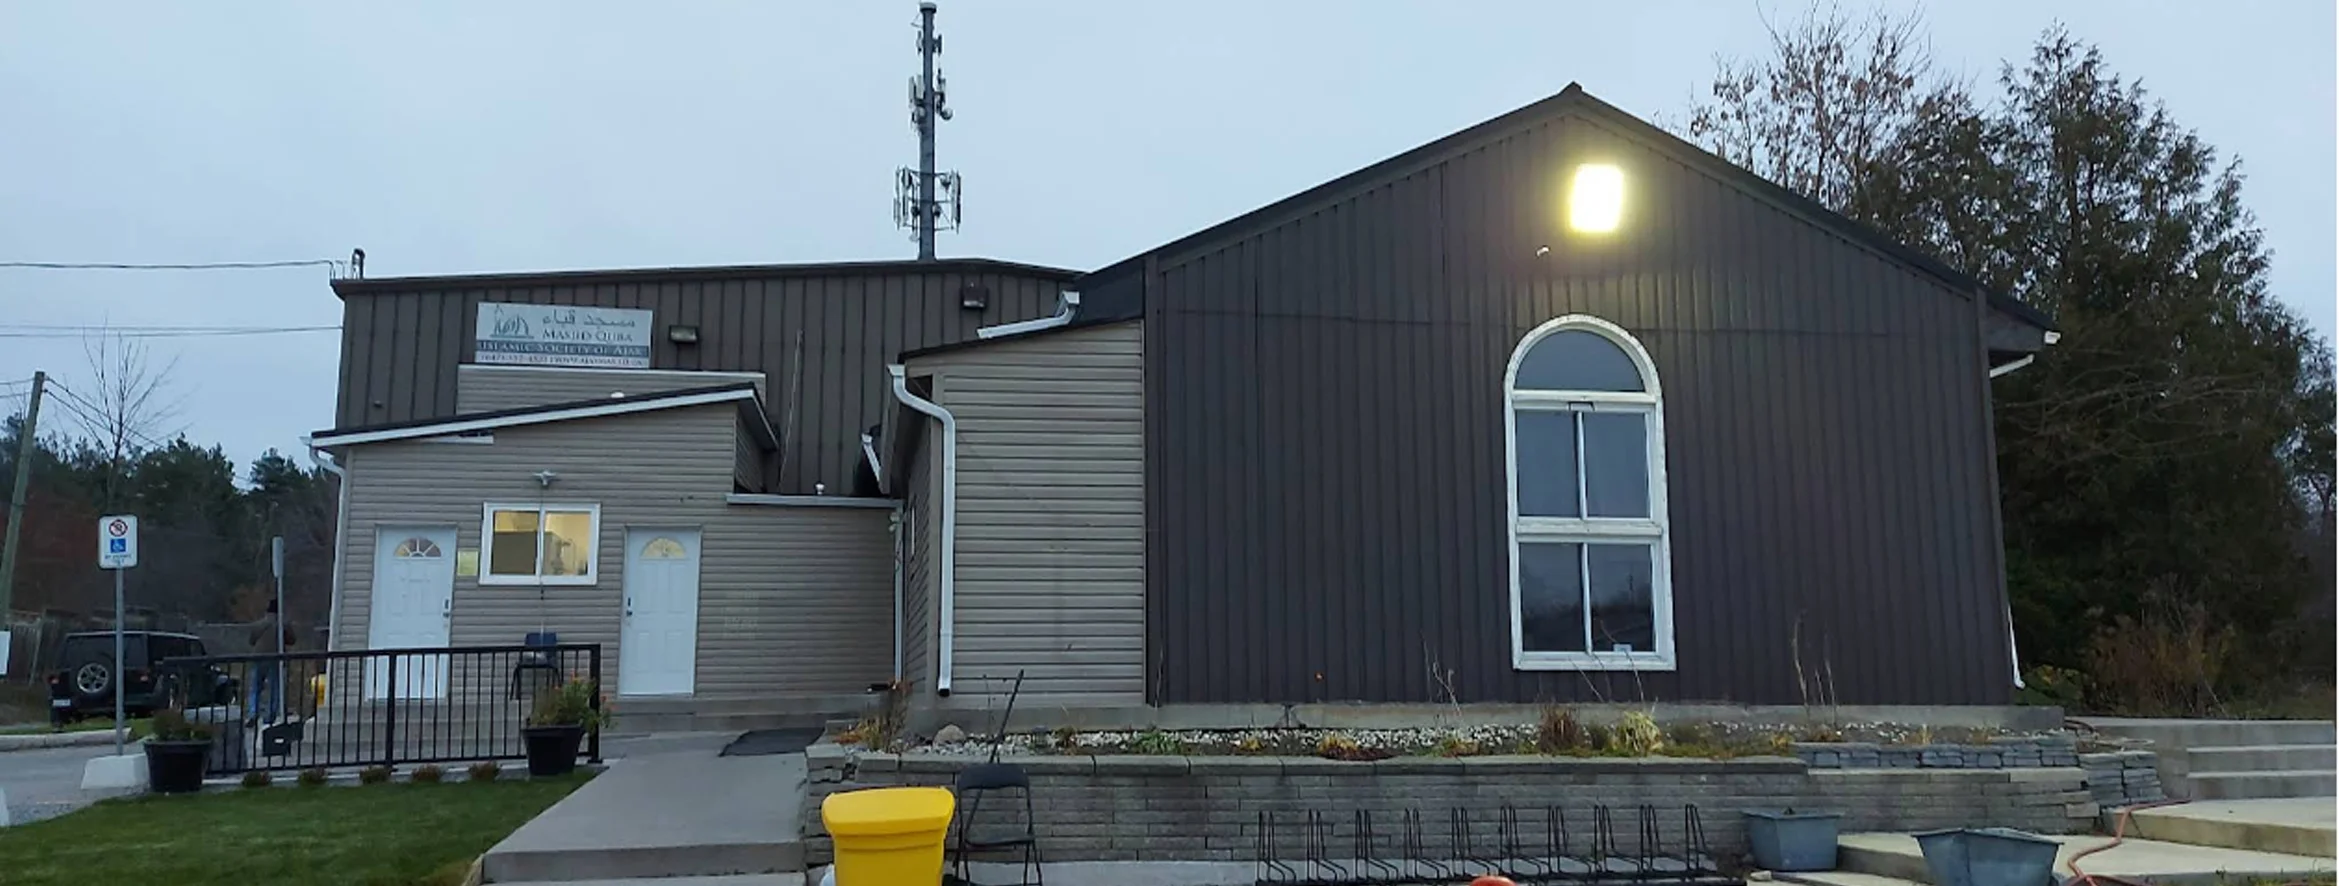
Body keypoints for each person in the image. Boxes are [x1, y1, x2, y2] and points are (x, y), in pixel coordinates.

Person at [246, 602, 293, 726]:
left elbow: (251, 640)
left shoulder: (259, 624)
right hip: (276, 658)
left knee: (255, 687)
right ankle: (270, 715)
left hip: (258, 657)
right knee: (275, 688)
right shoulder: (283, 625)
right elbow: (292, 640)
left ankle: (253, 713)